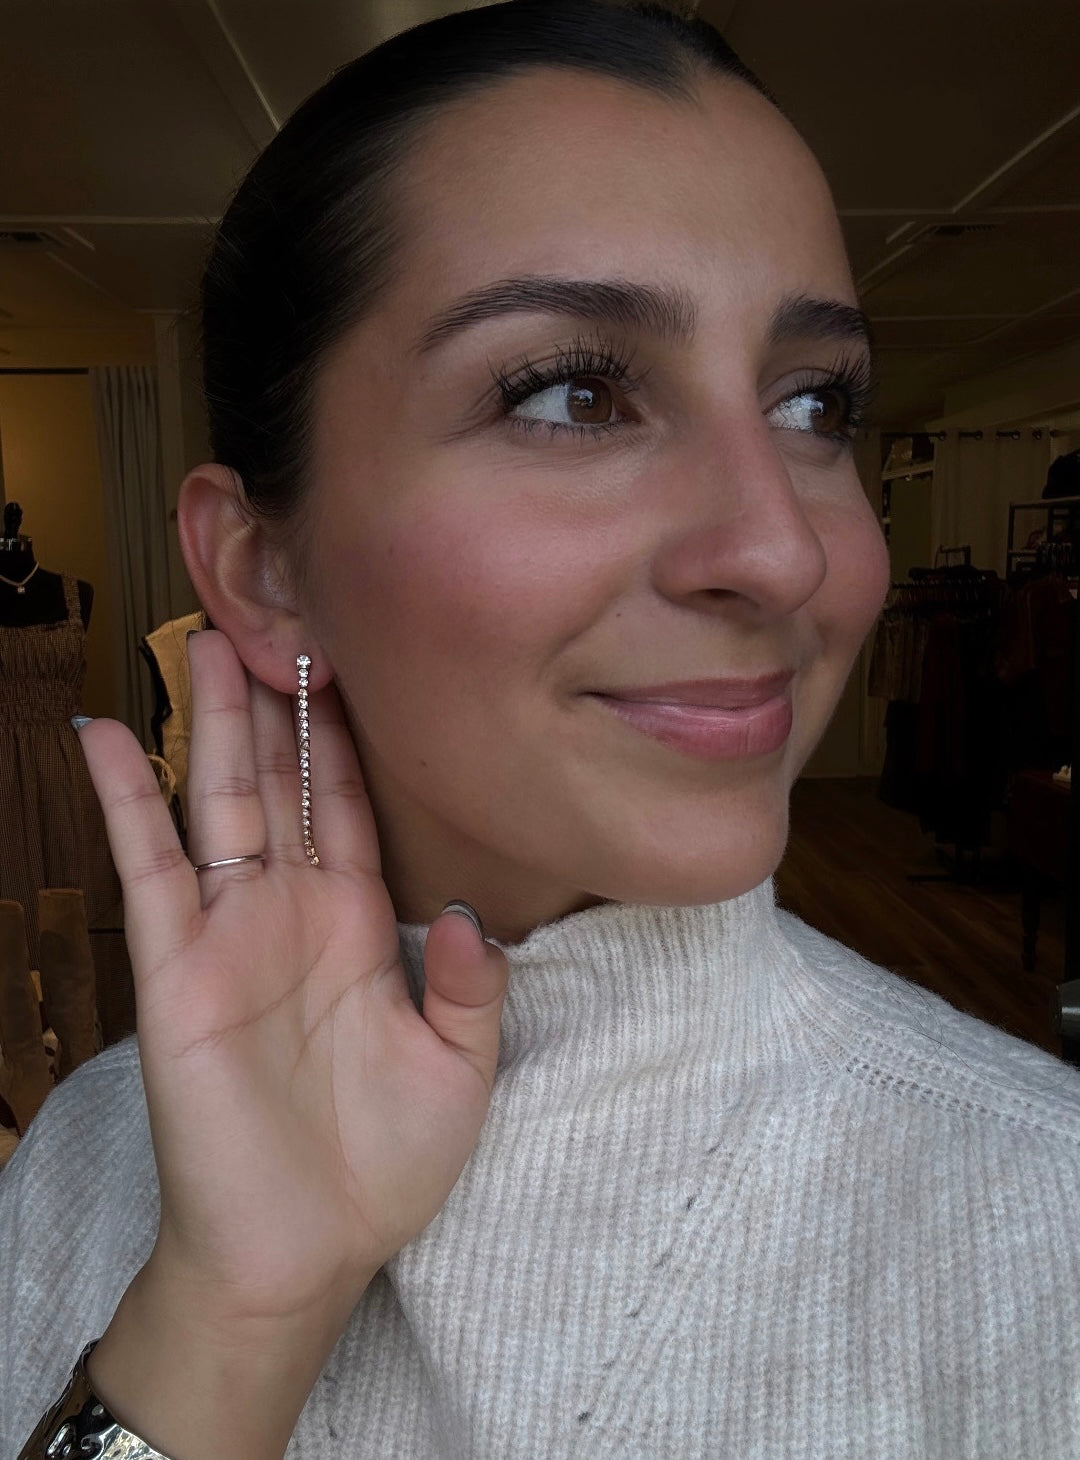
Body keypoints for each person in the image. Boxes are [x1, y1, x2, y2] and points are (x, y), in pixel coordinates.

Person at [5, 2, 1080, 1455]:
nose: (782, 551)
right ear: (263, 572)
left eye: (814, 405)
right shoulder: (80, 1168)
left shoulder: (1042, 1227)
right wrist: (227, 1318)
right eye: (576, 396)